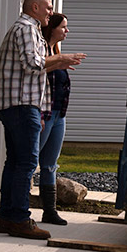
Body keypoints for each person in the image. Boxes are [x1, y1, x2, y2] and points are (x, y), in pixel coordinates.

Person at [0, 0, 85, 239]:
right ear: (34, 7)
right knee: (26, 163)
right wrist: (60, 57)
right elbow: (32, 64)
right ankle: (21, 219)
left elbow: (34, 67)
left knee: (14, 161)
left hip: (16, 105)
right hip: (22, 105)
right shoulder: (26, 28)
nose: (51, 12)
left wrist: (58, 63)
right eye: (49, 8)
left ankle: (7, 217)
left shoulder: (28, 29)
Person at [38, 13, 73, 225]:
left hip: (59, 115)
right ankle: (14, 207)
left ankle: (49, 211)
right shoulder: (41, 51)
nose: (66, 31)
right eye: (63, 27)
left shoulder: (56, 51)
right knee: (28, 162)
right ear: (51, 28)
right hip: (45, 114)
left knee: (50, 165)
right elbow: (37, 83)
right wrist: (40, 114)